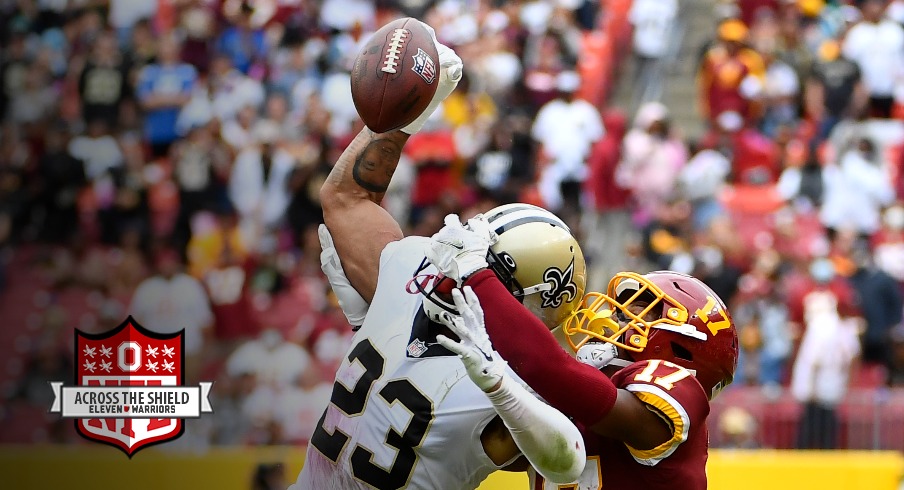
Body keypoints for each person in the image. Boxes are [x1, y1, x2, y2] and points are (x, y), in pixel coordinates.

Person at [291, 22, 587, 490]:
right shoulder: (515, 389)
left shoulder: (409, 269)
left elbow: (345, 197)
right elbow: (565, 460)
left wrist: (407, 116)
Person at [427, 216, 739, 489]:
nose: (614, 319)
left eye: (637, 312)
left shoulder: (675, 391)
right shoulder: (585, 397)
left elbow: (550, 369)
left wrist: (477, 276)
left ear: (682, 345)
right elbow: (502, 453)